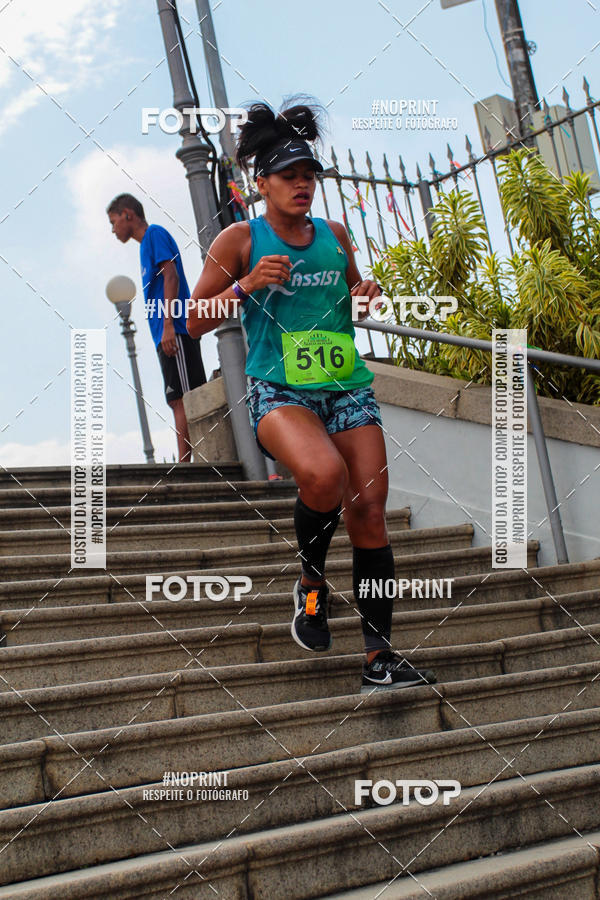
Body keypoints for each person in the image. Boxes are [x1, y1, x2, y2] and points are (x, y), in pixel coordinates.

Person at [187, 98, 436, 692]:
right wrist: (246, 285)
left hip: (346, 386)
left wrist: (366, 295)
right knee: (323, 476)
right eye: (289, 177)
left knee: (370, 512)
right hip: (280, 392)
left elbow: (351, 300)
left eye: (309, 177)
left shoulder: (336, 235)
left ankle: (379, 658)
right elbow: (194, 320)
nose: (302, 187)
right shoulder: (239, 239)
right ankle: (311, 586)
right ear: (261, 182)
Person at [107, 193, 207, 462]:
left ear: (128, 214)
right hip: (164, 334)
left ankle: (189, 464)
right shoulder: (144, 247)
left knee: (187, 398)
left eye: (114, 221)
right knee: (176, 399)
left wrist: (168, 326)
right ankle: (186, 461)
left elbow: (170, 274)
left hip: (175, 330)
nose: (113, 229)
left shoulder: (154, 234)